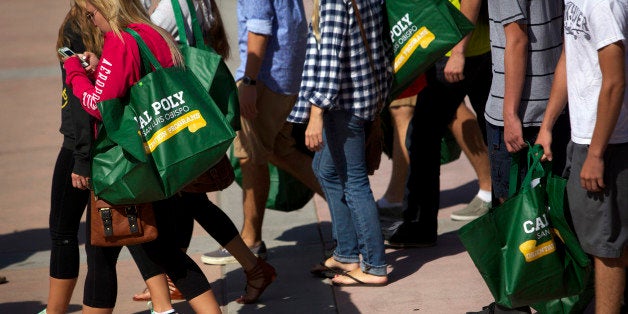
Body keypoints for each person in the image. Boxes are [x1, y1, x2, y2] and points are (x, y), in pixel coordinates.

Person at [63, 0, 223, 312]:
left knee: (105, 251)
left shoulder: (120, 42)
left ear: (107, 8)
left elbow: (99, 106)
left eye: (91, 13)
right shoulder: (152, 32)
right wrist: (102, 71)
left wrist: (75, 75)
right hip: (162, 153)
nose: (91, 21)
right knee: (163, 251)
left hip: (132, 162)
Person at [131, 0, 276, 306]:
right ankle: (242, 269)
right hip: (184, 111)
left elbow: (139, 45)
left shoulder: (172, 6)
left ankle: (251, 268)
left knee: (187, 198)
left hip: (177, 113)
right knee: (187, 199)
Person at [201, 0, 324, 265]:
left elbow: (259, 28)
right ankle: (351, 211)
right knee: (281, 151)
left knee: (250, 157)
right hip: (285, 76)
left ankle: (250, 241)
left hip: (265, 78)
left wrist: (249, 81)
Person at [466, 0, 569, 312]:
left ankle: (514, 303)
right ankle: (558, 293)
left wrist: (510, 114)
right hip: (555, 102)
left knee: (512, 213)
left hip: (518, 110)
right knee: (551, 210)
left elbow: (517, 39)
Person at [289, 0, 390, 286]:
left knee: (354, 182)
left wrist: (316, 114)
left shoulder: (333, 1)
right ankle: (346, 252)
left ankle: (374, 266)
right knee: (326, 169)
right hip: (363, 95)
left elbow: (329, 58)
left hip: (343, 103)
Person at [535, 0, 627, 312]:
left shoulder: (603, 4)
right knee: (599, 240)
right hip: (584, 134)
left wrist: (597, 153)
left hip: (607, 141)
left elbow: (614, 81)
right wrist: (548, 123)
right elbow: (569, 56)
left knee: (607, 246)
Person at [386, 0, 493, 247]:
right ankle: (512, 216)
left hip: (457, 49)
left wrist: (458, 51)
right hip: (473, 46)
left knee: (423, 136)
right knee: (493, 132)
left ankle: (420, 227)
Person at [41, 2, 101, 313]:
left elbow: (78, 99)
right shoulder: (120, 17)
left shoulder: (78, 24)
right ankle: (162, 304)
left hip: (82, 143)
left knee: (64, 231)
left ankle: (55, 310)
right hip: (113, 140)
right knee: (107, 241)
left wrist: (81, 157)